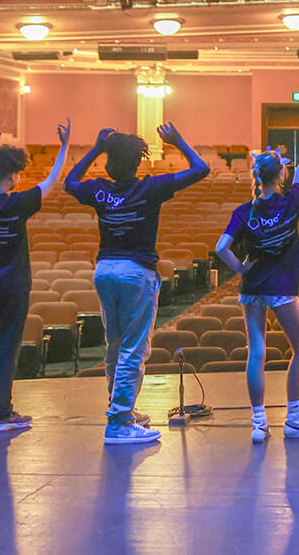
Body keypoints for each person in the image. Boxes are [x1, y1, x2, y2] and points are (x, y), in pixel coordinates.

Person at [65, 122, 210, 445]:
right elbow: (201, 169)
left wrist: (96, 147)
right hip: (136, 273)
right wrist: (177, 141)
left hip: (104, 270)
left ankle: (122, 410)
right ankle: (118, 421)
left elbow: (70, 182)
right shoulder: (149, 187)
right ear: (138, 163)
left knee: (114, 345)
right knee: (134, 348)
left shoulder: (99, 189)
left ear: (109, 163)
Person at [215, 130, 299, 443]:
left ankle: (259, 421)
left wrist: (239, 267)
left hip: (252, 287)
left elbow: (221, 247)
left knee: (257, 352)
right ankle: (293, 417)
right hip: (281, 287)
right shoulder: (291, 202)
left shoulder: (245, 211)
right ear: (281, 175)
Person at [0, 119, 70, 432]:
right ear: (14, 175)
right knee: (6, 349)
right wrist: (65, 146)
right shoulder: (19, 203)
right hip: (12, 286)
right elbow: (52, 182)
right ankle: (1, 413)